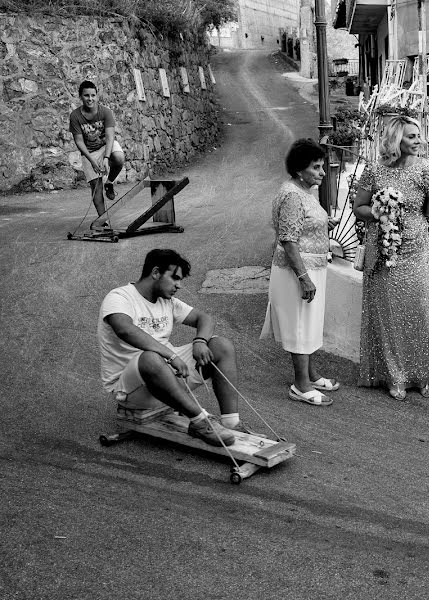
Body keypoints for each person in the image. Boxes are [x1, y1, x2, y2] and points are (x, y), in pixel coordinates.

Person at [98, 249, 249, 446]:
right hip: (132, 390)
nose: (179, 285)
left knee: (221, 345)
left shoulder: (167, 301)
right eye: (175, 278)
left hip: (168, 379)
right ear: (155, 273)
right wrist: (170, 355)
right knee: (151, 357)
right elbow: (125, 330)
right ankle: (199, 422)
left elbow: (204, 318)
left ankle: (231, 423)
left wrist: (200, 341)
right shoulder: (119, 297)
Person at [352, 115, 429, 400]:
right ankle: (395, 375)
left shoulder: (424, 169)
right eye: (412, 136)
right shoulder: (375, 170)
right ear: (396, 140)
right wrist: (378, 212)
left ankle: (422, 374)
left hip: (417, 251)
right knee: (388, 315)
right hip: (384, 252)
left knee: (419, 312)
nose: (419, 141)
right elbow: (358, 208)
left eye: (419, 136)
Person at [260, 139, 341, 406]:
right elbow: (289, 239)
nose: (322, 172)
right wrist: (303, 278)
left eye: (322, 166)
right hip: (297, 272)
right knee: (300, 325)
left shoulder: (304, 190)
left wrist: (323, 222)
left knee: (309, 324)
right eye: (316, 167)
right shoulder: (293, 195)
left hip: (310, 268)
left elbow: (303, 224)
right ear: (299, 170)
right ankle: (300, 385)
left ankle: (311, 374)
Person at [69, 80, 125, 230]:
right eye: (86, 95)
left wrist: (106, 158)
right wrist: (92, 162)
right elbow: (79, 141)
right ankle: (103, 221)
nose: (90, 99)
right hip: (89, 152)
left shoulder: (105, 112)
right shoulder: (75, 116)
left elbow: (110, 137)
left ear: (97, 96)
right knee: (96, 188)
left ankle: (110, 182)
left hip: (105, 145)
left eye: (93, 95)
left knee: (119, 158)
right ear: (80, 96)